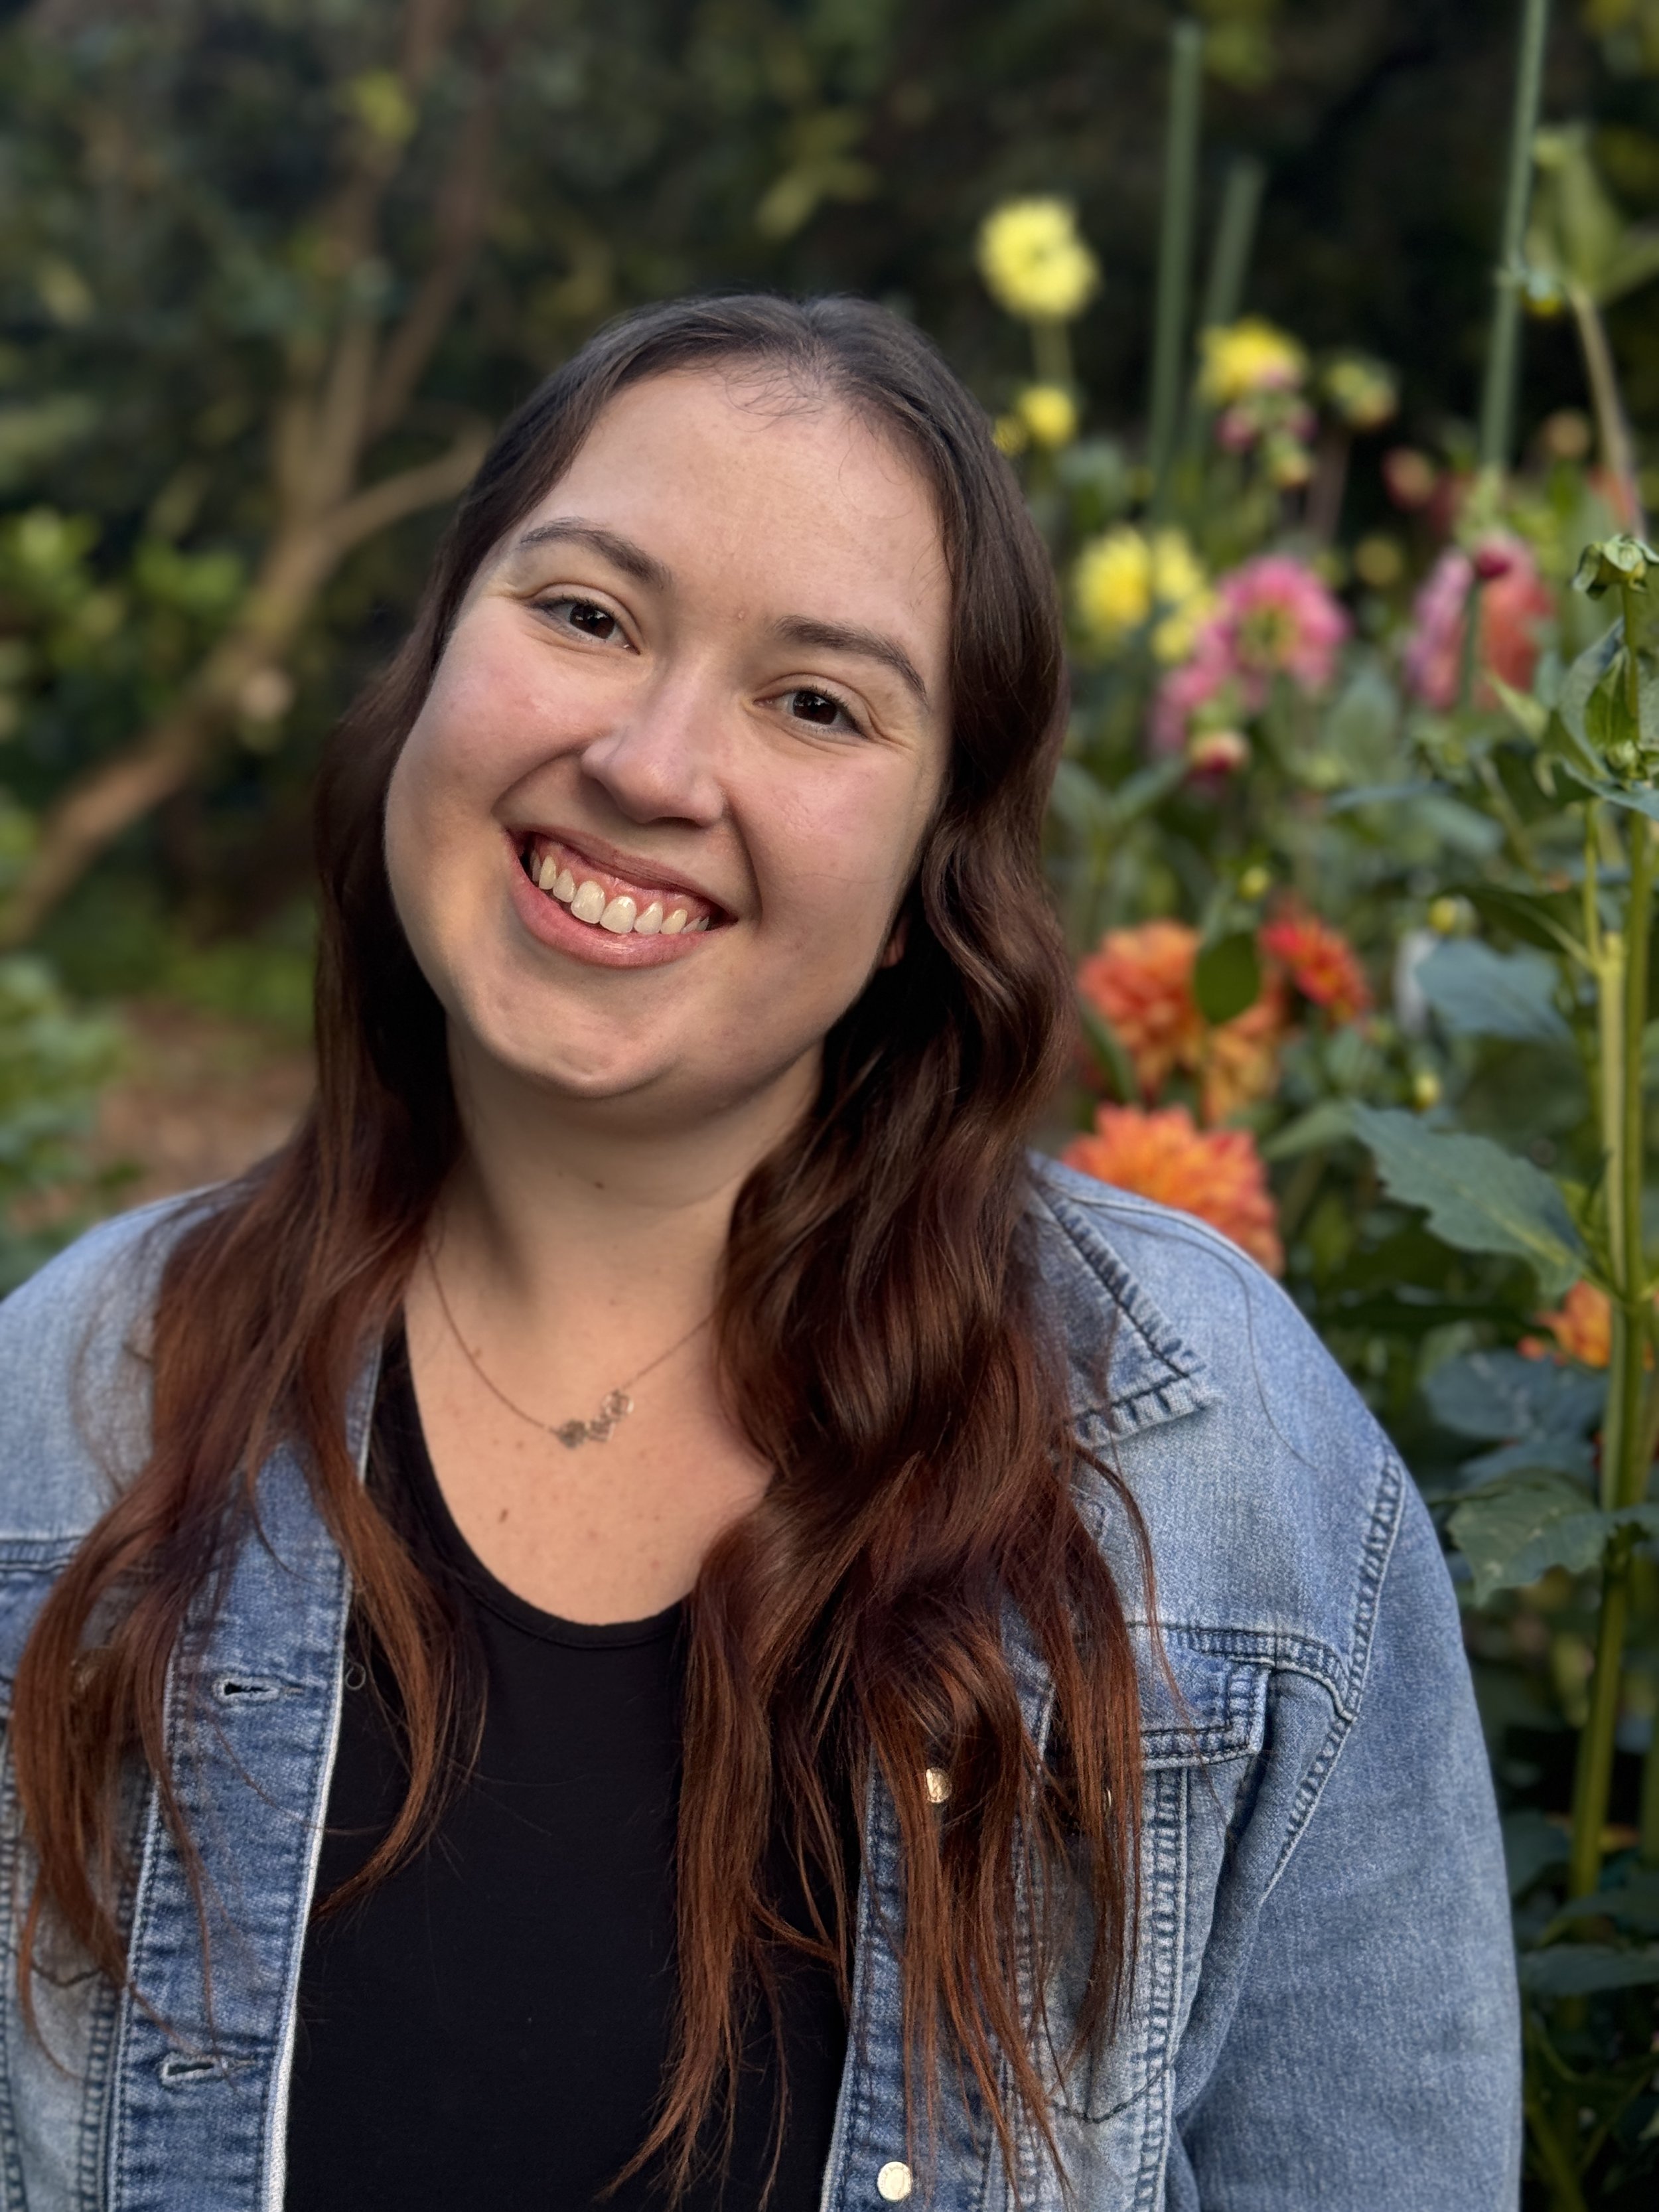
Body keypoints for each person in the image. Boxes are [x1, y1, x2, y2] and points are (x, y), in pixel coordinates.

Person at [0, 295, 1518, 2212]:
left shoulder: (1219, 1478)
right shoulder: (61, 1430)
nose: (648, 761)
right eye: (582, 614)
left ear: (919, 890)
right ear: (430, 666)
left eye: (814, 702)